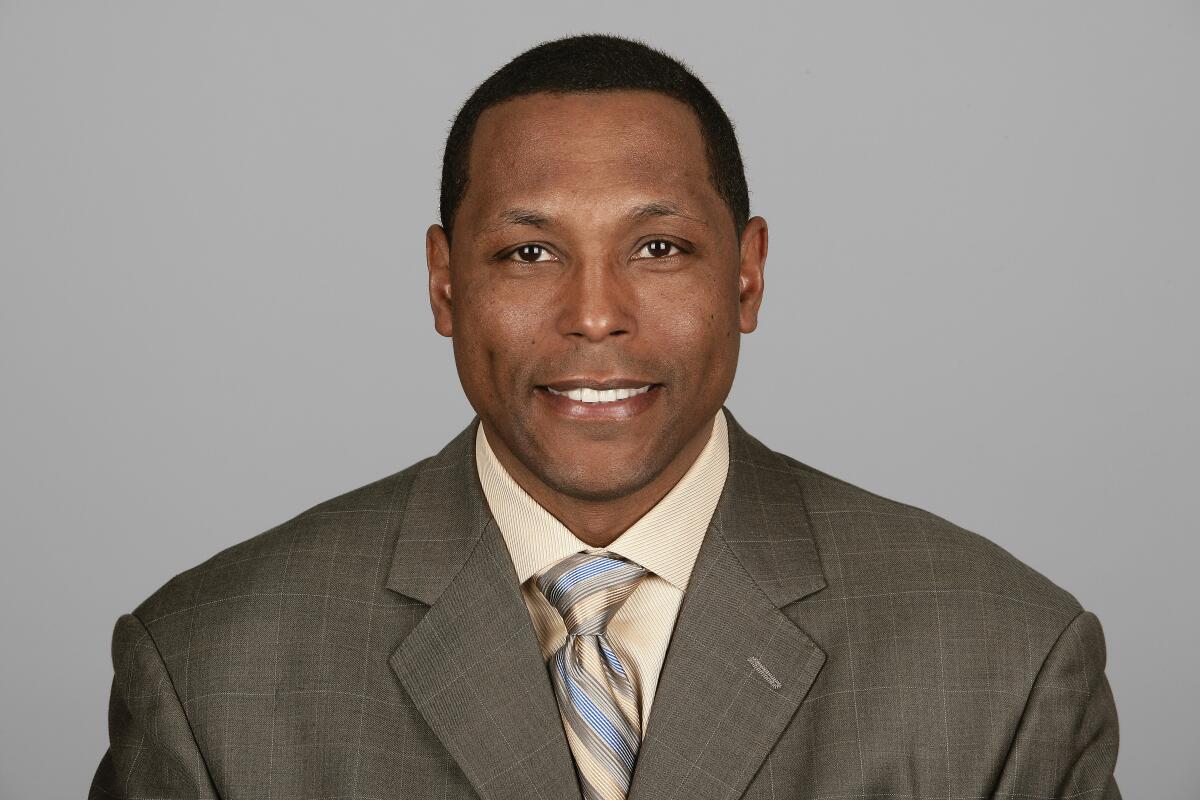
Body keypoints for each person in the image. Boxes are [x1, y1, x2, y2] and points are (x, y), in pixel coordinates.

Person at [90, 33, 1121, 800]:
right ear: (444, 282)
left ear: (749, 274)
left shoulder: (1004, 663)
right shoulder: (210, 670)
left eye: (658, 249)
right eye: (528, 252)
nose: (594, 314)